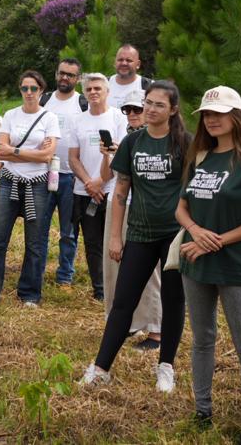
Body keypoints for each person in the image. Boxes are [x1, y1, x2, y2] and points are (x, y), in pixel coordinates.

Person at [175, 86, 241, 443]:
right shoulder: (200, 156)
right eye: (206, 113)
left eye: (219, 113)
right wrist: (196, 232)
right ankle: (203, 410)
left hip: (234, 266)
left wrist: (214, 242)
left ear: (237, 116)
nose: (212, 119)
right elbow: (181, 207)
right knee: (202, 340)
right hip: (195, 262)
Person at [80, 81, 190, 393]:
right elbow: (120, 193)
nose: (151, 109)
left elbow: (193, 192)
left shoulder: (185, 143)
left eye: (159, 105)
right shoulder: (133, 142)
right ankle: (101, 368)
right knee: (122, 302)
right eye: (148, 103)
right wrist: (116, 237)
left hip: (174, 236)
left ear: (173, 110)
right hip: (139, 233)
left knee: (173, 300)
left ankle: (165, 367)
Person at [0, 71, 60, 307]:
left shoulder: (49, 118)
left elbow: (47, 155)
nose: (29, 93)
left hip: (38, 185)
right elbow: (0, 150)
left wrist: (15, 151)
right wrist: (28, 154)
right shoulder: (12, 115)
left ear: (41, 91)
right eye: (25, 88)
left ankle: (30, 294)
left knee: (35, 242)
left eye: (34, 88)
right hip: (8, 182)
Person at [101, 88, 162, 348]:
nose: (134, 114)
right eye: (128, 110)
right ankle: (126, 322)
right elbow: (109, 177)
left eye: (138, 108)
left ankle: (156, 329)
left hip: (146, 212)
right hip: (118, 205)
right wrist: (108, 155)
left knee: (151, 273)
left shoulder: (160, 141)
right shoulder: (126, 139)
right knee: (114, 264)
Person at [68, 73, 128, 301]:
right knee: (92, 243)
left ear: (107, 92)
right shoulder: (78, 120)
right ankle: (100, 289)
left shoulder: (117, 118)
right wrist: (89, 183)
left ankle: (119, 287)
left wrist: (100, 182)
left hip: (112, 190)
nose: (93, 93)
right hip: (84, 192)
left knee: (115, 240)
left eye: (97, 89)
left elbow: (119, 154)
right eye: (89, 89)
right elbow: (73, 158)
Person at [40, 58, 85, 286]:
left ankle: (65, 275)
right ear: (56, 74)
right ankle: (35, 271)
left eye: (70, 75)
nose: (65, 78)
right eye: (62, 73)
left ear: (78, 79)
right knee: (39, 226)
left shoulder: (83, 103)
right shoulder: (44, 99)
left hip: (71, 176)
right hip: (44, 172)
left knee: (68, 231)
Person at [107, 44, 152, 111]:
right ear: (114, 62)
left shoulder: (149, 86)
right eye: (120, 60)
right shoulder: (103, 84)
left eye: (129, 60)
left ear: (138, 64)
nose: (124, 63)